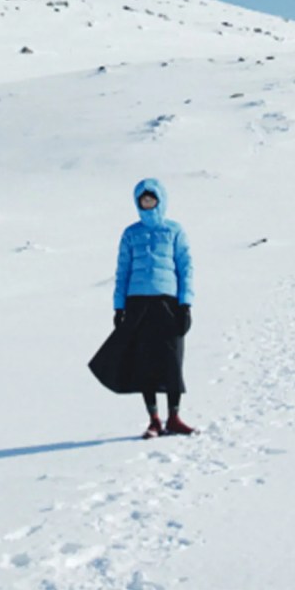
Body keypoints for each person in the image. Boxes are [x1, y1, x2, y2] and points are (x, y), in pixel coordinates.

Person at [113, 176, 197, 439]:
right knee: (144, 363)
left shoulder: (174, 231)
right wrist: (119, 307)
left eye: (151, 198)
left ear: (160, 201)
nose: (147, 203)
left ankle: (174, 417)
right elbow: (122, 271)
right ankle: (154, 420)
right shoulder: (130, 233)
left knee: (172, 361)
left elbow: (186, 268)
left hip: (168, 303)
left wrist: (185, 304)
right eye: (143, 199)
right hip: (138, 304)